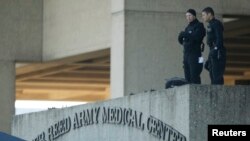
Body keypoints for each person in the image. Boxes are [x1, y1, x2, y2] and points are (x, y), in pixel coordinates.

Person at [178, 9, 206, 84]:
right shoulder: (187, 28)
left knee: (194, 75)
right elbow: (183, 41)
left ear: (194, 16)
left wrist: (186, 34)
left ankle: (196, 93)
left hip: (195, 54)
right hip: (186, 54)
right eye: (186, 16)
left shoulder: (199, 25)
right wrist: (181, 37)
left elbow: (197, 37)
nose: (188, 17)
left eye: (190, 15)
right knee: (187, 77)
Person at [202, 7, 226, 84]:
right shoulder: (210, 24)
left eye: (204, 15)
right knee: (212, 74)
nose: (203, 17)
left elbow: (219, 39)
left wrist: (215, 49)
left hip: (218, 51)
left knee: (217, 76)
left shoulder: (216, 23)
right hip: (213, 50)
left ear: (209, 14)